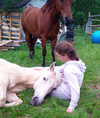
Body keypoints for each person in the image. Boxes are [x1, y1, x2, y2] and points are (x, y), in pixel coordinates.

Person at [49, 40, 86, 114]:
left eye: (59, 56)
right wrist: (44, 69)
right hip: (65, 86)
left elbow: (75, 89)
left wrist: (72, 106)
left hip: (66, 93)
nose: (58, 58)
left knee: (46, 88)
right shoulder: (75, 60)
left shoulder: (69, 70)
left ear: (66, 55)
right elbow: (59, 68)